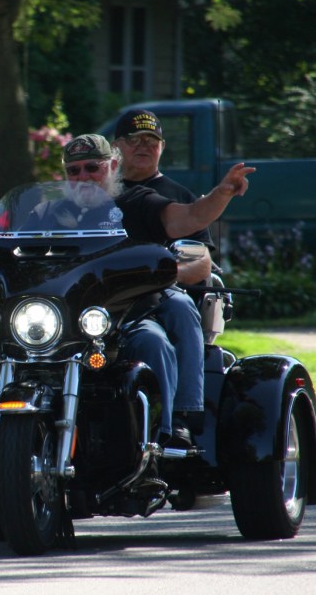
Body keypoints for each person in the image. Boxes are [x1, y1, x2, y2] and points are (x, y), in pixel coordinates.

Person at [60, 133, 253, 448]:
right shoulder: (50, 214)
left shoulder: (136, 202)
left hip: (129, 314)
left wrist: (222, 193)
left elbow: (188, 218)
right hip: (64, 321)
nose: (83, 177)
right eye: (74, 170)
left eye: (92, 167)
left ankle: (173, 426)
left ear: (111, 166)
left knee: (156, 337)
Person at [112, 110, 213, 445]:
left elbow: (201, 263)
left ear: (162, 147)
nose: (143, 146)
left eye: (151, 140)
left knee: (180, 309)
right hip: (105, 300)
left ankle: (183, 414)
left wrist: (164, 278)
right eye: (134, 140)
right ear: (117, 147)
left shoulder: (178, 196)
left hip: (160, 296)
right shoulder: (97, 192)